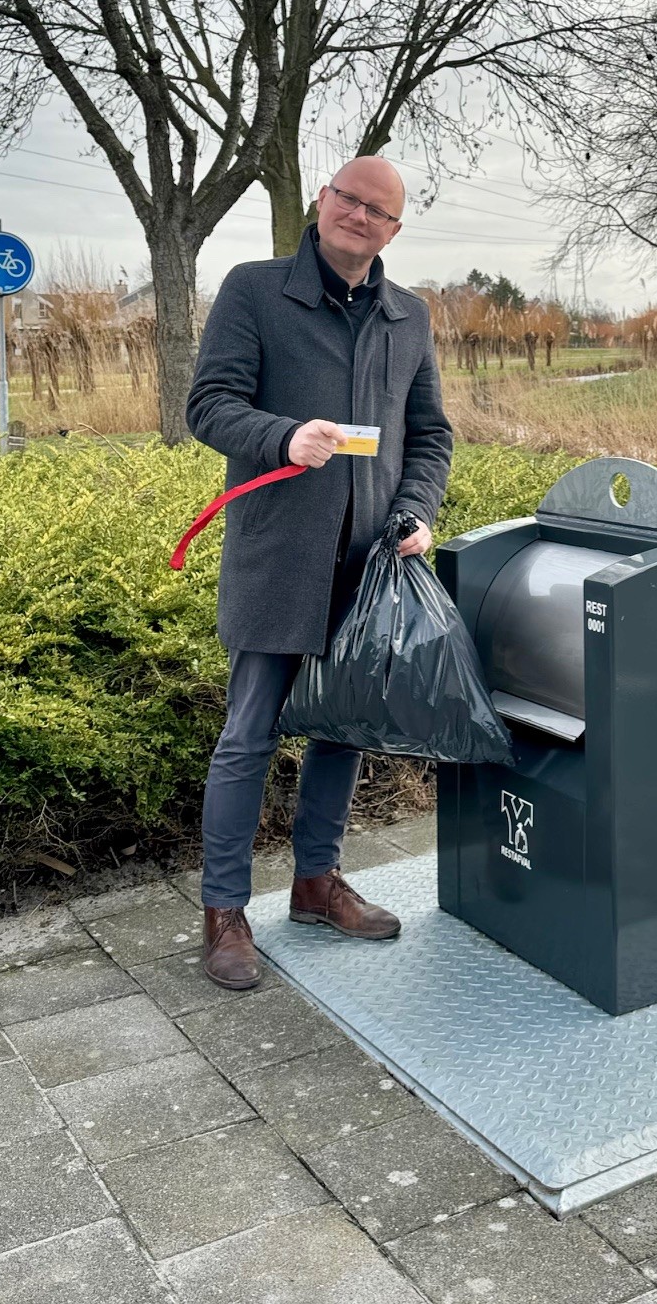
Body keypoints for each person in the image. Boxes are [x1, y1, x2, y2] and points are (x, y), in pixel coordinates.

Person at [185, 157, 452, 989]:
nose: (359, 216)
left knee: (340, 729)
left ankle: (314, 882)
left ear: (394, 230)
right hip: (278, 555)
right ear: (321, 200)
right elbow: (210, 404)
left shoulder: (408, 317)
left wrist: (414, 511)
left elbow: (430, 434)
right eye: (349, 198)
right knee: (248, 736)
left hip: (368, 565)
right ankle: (225, 913)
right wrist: (283, 436)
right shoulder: (255, 290)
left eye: (379, 210)